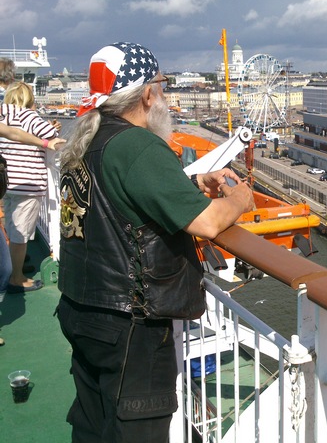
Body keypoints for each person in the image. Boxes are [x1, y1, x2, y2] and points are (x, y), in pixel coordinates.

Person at [55, 42, 254, 443]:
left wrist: (194, 181)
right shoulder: (138, 144)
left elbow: (120, 197)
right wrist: (240, 197)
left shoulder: (90, 137)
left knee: (93, 424)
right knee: (137, 431)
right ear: (147, 93)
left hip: (82, 309)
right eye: (161, 86)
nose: (164, 95)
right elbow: (209, 223)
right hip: (130, 324)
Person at [0, 81, 61, 292]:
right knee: (21, 233)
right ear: (30, 100)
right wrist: (51, 132)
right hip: (28, 184)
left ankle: (14, 264)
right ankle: (16, 277)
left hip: (7, 183)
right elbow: (48, 134)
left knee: (12, 226)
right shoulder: (29, 116)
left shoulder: (3, 115)